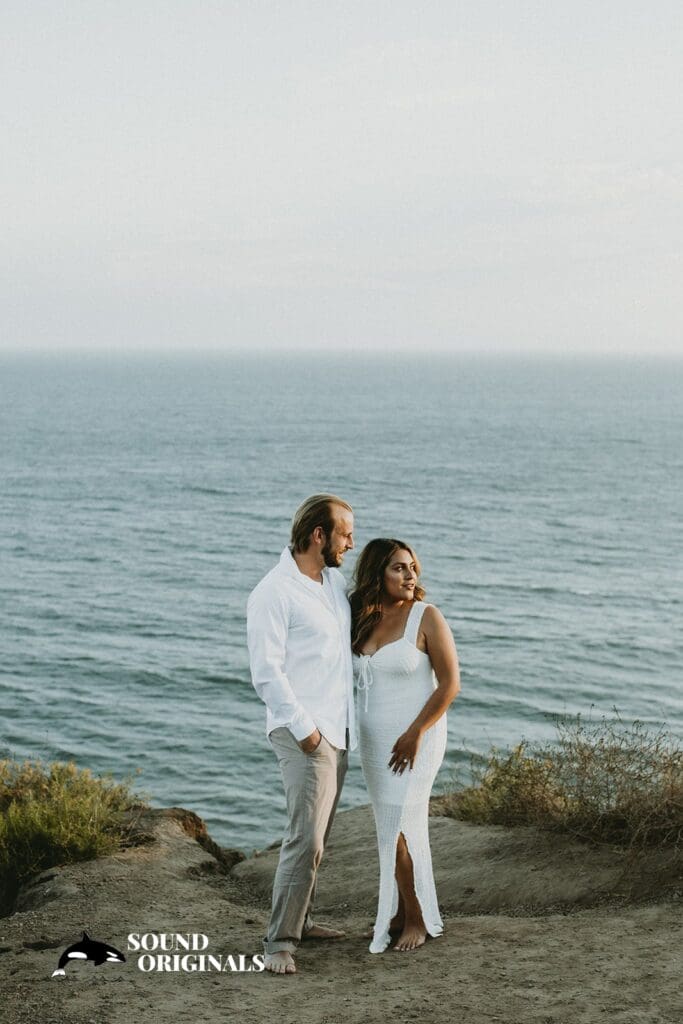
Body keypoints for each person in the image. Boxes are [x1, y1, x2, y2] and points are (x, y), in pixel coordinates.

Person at [246, 494, 356, 975]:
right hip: (304, 732)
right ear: (318, 535)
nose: (350, 543)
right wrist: (307, 731)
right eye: (345, 534)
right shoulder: (274, 592)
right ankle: (279, 943)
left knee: (319, 838)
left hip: (338, 728)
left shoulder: (333, 583)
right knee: (305, 839)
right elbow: (266, 673)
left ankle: (303, 920)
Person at [349, 538, 460, 954]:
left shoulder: (426, 616)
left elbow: (450, 685)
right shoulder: (361, 616)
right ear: (376, 573)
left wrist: (415, 733)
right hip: (374, 742)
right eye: (398, 568)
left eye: (412, 567)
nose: (410, 575)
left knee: (402, 826)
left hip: (417, 739)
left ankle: (417, 917)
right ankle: (398, 913)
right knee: (388, 827)